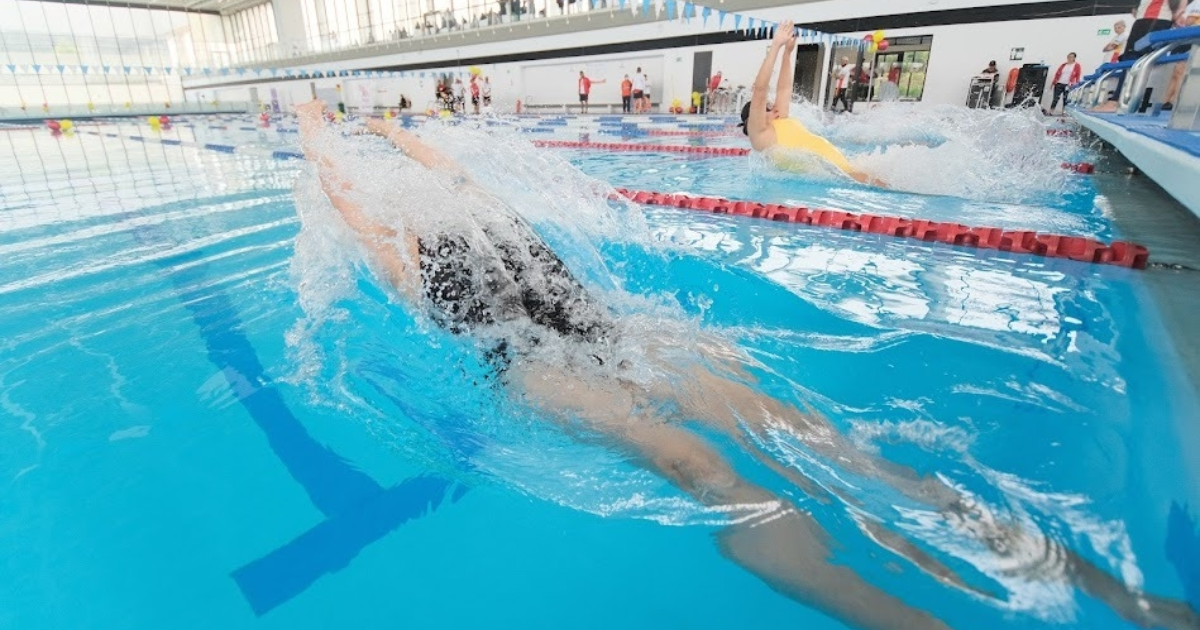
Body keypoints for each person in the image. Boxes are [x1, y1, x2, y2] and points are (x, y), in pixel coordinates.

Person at [295, 97, 1200, 630]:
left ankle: (999, 603)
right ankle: (1084, 597)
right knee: (780, 458)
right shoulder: (450, 237)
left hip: (572, 354)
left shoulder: (441, 233)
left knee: (760, 462)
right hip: (588, 350)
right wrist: (355, 134)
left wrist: (334, 134)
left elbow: (377, 186)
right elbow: (399, 181)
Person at [742, 24, 873, 185]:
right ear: (755, 116)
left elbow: (784, 89)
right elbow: (760, 90)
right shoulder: (760, 134)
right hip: (833, 176)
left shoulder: (778, 119)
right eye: (768, 108)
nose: (774, 107)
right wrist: (775, 46)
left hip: (839, 167)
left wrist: (787, 53)